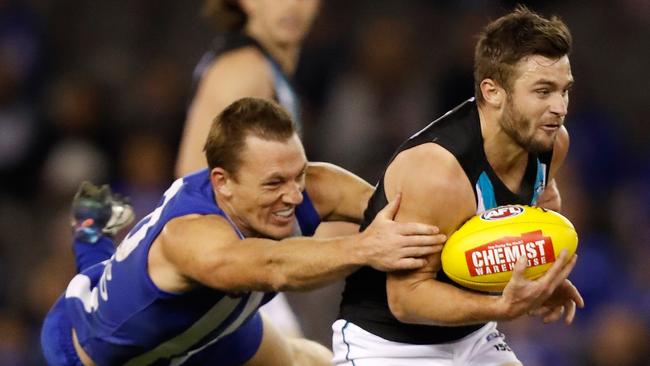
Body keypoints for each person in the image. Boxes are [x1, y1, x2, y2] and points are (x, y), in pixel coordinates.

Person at [40, 97, 446, 366]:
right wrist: (365, 248)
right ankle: (88, 230)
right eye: (274, 184)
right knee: (94, 269)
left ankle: (89, 227)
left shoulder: (310, 186)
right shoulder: (193, 240)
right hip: (108, 356)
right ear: (223, 182)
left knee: (308, 361)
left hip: (205, 328)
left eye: (298, 173)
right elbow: (272, 267)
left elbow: (409, 215)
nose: (293, 196)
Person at [334, 6, 584, 365]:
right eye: (543, 91)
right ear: (492, 91)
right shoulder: (437, 170)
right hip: (389, 344)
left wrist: (539, 278)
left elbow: (539, 212)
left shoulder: (552, 142)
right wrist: (503, 305)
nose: (560, 107)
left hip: (475, 334)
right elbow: (406, 298)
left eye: (565, 91)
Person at [177, 0, 352, 339]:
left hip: (240, 269)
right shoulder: (245, 70)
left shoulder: (265, 67)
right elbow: (197, 189)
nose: (291, 6)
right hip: (225, 275)